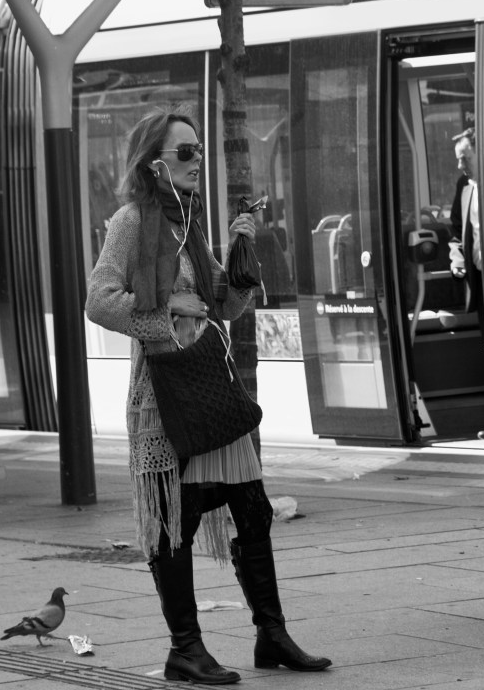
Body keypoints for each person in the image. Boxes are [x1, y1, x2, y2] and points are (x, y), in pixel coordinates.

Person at [85, 109, 330, 684]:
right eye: (186, 152)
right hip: (162, 396)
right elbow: (99, 301)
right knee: (177, 520)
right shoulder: (130, 222)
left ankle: (271, 635)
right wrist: (167, 309)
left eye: (199, 151)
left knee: (254, 509)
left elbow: (222, 304)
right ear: (156, 163)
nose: (198, 162)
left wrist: (241, 268)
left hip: (210, 388)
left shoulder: (188, 226)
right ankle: (185, 649)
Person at [448, 129, 484, 443]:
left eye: (464, 158)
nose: (460, 166)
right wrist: (457, 257)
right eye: (458, 160)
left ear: (480, 153)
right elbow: (457, 230)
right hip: (481, 282)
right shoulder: (466, 188)